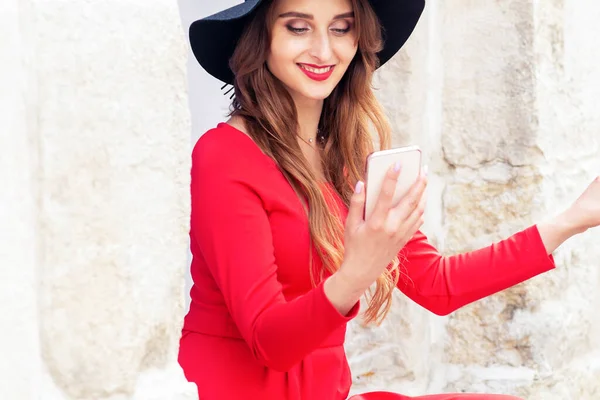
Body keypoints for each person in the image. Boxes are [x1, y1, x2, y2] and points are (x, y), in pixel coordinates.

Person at [178, 0, 600, 399]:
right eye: (298, 27)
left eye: (341, 28)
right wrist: (357, 271)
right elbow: (269, 341)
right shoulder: (224, 156)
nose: (323, 49)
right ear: (261, 38)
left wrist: (573, 219)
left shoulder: (342, 159)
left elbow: (437, 284)